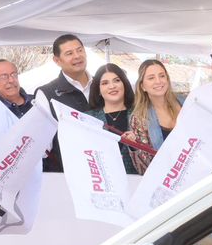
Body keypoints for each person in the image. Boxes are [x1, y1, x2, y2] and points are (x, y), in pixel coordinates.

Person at [37, 34, 92, 173]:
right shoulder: (46, 93)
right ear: (57, 60)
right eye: (69, 53)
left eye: (80, 50)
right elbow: (43, 146)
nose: (77, 56)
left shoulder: (103, 85)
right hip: (68, 173)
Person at [127, 58, 184, 175]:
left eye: (162, 76)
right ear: (142, 86)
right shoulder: (139, 119)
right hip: (168, 178)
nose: (158, 81)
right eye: (151, 78)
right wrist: (134, 147)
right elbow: (144, 169)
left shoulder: (186, 102)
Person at [88, 63, 140, 174]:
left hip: (136, 180)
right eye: (105, 83)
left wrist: (134, 147)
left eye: (116, 80)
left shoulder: (141, 114)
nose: (112, 86)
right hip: (100, 180)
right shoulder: (88, 119)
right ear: (98, 90)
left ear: (124, 84)